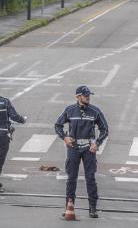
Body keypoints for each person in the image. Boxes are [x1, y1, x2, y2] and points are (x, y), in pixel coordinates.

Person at [55, 86, 108, 218]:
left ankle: (93, 208)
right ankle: (69, 205)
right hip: (73, 148)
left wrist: (97, 143)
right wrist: (65, 137)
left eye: (89, 95)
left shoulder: (95, 111)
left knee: (90, 178)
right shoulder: (70, 110)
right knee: (71, 178)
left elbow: (105, 129)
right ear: (78, 97)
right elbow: (57, 125)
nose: (88, 97)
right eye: (85, 95)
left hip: (89, 149)